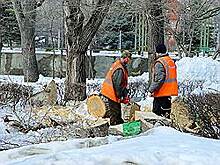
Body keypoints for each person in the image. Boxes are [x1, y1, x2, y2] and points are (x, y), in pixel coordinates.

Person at [101, 50, 132, 125]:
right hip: (112, 92)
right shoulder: (119, 68)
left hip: (111, 91)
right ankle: (114, 128)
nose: (129, 61)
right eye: (129, 59)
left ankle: (119, 124)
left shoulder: (119, 65)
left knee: (117, 111)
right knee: (115, 112)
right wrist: (120, 96)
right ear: (126, 58)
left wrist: (124, 94)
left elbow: (122, 84)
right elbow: (118, 84)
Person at [148, 44, 178, 118]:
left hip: (161, 93)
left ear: (158, 52)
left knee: (157, 116)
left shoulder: (160, 62)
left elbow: (159, 79)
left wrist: (151, 90)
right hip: (168, 93)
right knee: (166, 116)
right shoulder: (170, 61)